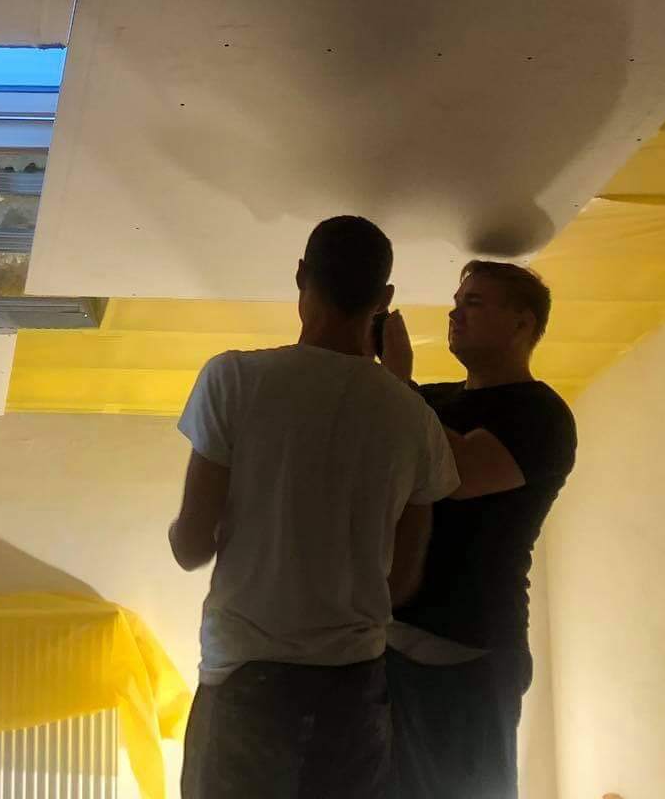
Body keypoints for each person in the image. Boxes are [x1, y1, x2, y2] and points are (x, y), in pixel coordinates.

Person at [169, 216, 459, 799]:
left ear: (302, 275)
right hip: (352, 690)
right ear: (384, 298)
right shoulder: (414, 419)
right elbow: (403, 581)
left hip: (246, 678)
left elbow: (191, 548)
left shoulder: (234, 380)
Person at [379, 260, 577, 799]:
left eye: (474, 303)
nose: (454, 313)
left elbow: (460, 473)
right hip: (391, 641)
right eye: (456, 302)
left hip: (470, 649)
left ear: (522, 323)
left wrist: (396, 385)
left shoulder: (540, 413)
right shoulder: (430, 401)